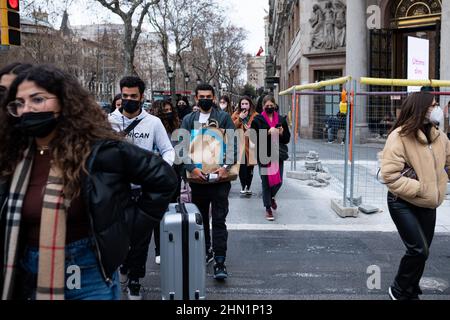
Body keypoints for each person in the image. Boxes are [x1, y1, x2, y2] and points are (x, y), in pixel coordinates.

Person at [0, 64, 177, 300]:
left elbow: (163, 177)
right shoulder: (14, 155)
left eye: (38, 99)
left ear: (64, 102)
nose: (27, 109)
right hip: (26, 272)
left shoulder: (97, 150)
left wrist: (126, 227)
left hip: (88, 274)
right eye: (19, 104)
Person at [109, 76, 176, 300]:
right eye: (125, 96)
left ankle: (135, 279)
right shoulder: (108, 122)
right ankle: (123, 268)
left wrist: (160, 170)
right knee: (118, 235)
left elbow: (168, 150)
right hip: (117, 190)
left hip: (144, 189)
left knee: (141, 238)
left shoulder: (153, 122)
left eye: (133, 97)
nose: (129, 100)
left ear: (141, 97)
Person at [380, 92, 450, 300]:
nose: (437, 109)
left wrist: (440, 180)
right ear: (421, 109)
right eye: (433, 105)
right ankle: (398, 289)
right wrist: (421, 187)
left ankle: (410, 290)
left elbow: (448, 163)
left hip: (428, 203)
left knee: (424, 251)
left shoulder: (440, 137)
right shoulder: (399, 137)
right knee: (418, 250)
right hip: (402, 202)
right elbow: (390, 176)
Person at [181, 83, 236, 281]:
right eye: (201, 95)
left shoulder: (223, 118)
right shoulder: (188, 120)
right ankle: (206, 251)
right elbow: (181, 148)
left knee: (219, 221)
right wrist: (192, 169)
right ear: (196, 98)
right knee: (201, 220)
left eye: (208, 96)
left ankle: (220, 262)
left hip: (220, 181)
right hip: (198, 181)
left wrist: (225, 168)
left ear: (213, 97)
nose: (205, 98)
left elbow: (233, 145)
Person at [150, 99, 182, 266]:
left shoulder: (178, 126)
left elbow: (182, 151)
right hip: (156, 172)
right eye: (165, 111)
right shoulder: (153, 127)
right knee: (157, 213)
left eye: (170, 110)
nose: (168, 113)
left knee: (171, 210)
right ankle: (159, 249)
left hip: (174, 172)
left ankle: (171, 245)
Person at [251, 95, 291, 221]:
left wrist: (281, 133)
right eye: (267, 105)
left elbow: (287, 139)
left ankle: (272, 197)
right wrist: (267, 133)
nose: (269, 107)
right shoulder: (257, 119)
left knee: (278, 182)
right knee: (266, 182)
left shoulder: (281, 119)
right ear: (263, 106)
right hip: (263, 153)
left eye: (271, 105)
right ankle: (268, 208)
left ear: (274, 105)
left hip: (277, 153)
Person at [232, 96, 258, 195]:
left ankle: (249, 185)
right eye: (242, 104)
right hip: (240, 145)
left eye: (246, 104)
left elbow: (260, 128)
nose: (244, 106)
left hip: (251, 145)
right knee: (242, 167)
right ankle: (243, 186)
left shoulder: (255, 115)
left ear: (250, 105)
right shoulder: (236, 114)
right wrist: (239, 119)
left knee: (250, 167)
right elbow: (231, 127)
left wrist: (252, 129)